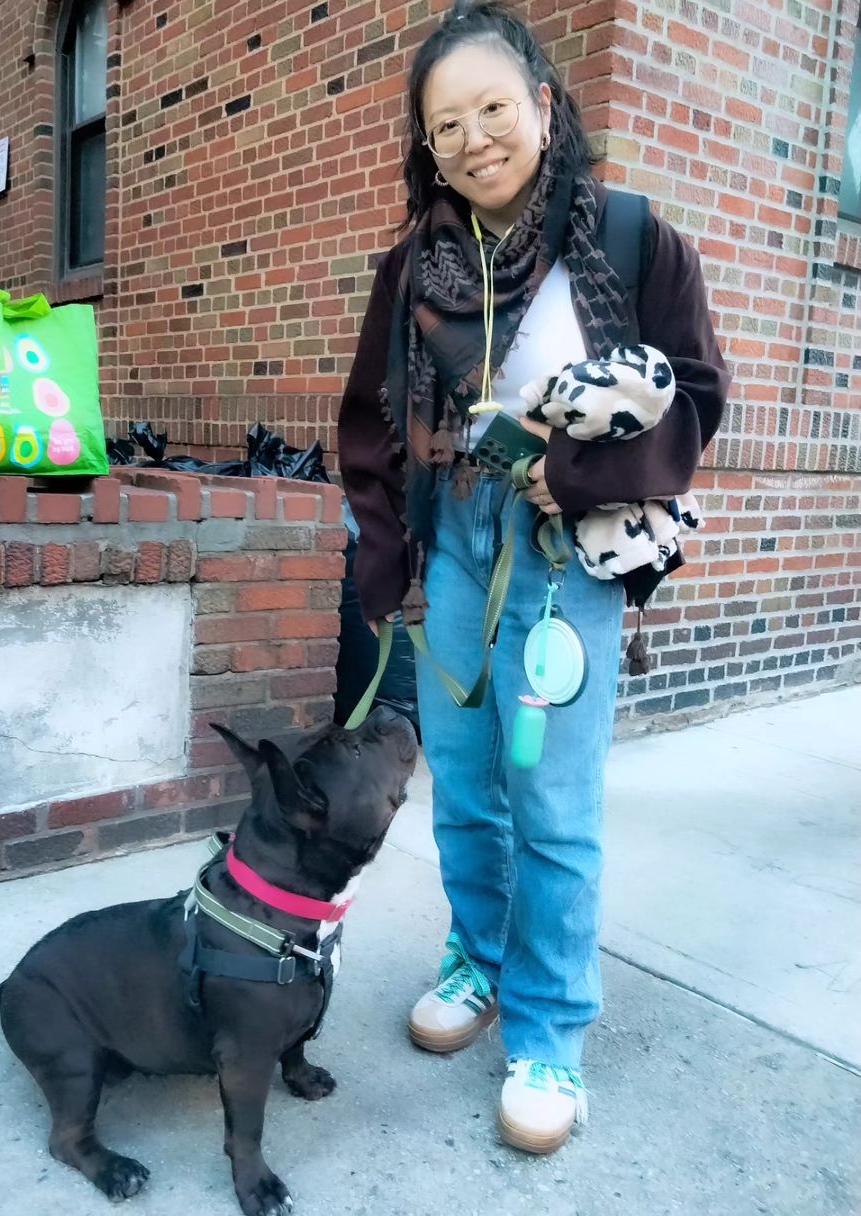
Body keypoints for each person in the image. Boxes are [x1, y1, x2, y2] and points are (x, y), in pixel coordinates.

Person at [337, 0, 730, 1155]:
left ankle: (550, 1027)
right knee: (463, 784)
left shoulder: (632, 236)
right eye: (445, 124)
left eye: (492, 109)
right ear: (428, 142)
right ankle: (480, 954)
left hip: (568, 555)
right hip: (454, 536)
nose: (473, 140)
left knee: (551, 804)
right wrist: (383, 561)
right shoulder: (413, 263)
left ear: (543, 105)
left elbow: (698, 397)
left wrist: (579, 467)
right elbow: (369, 420)